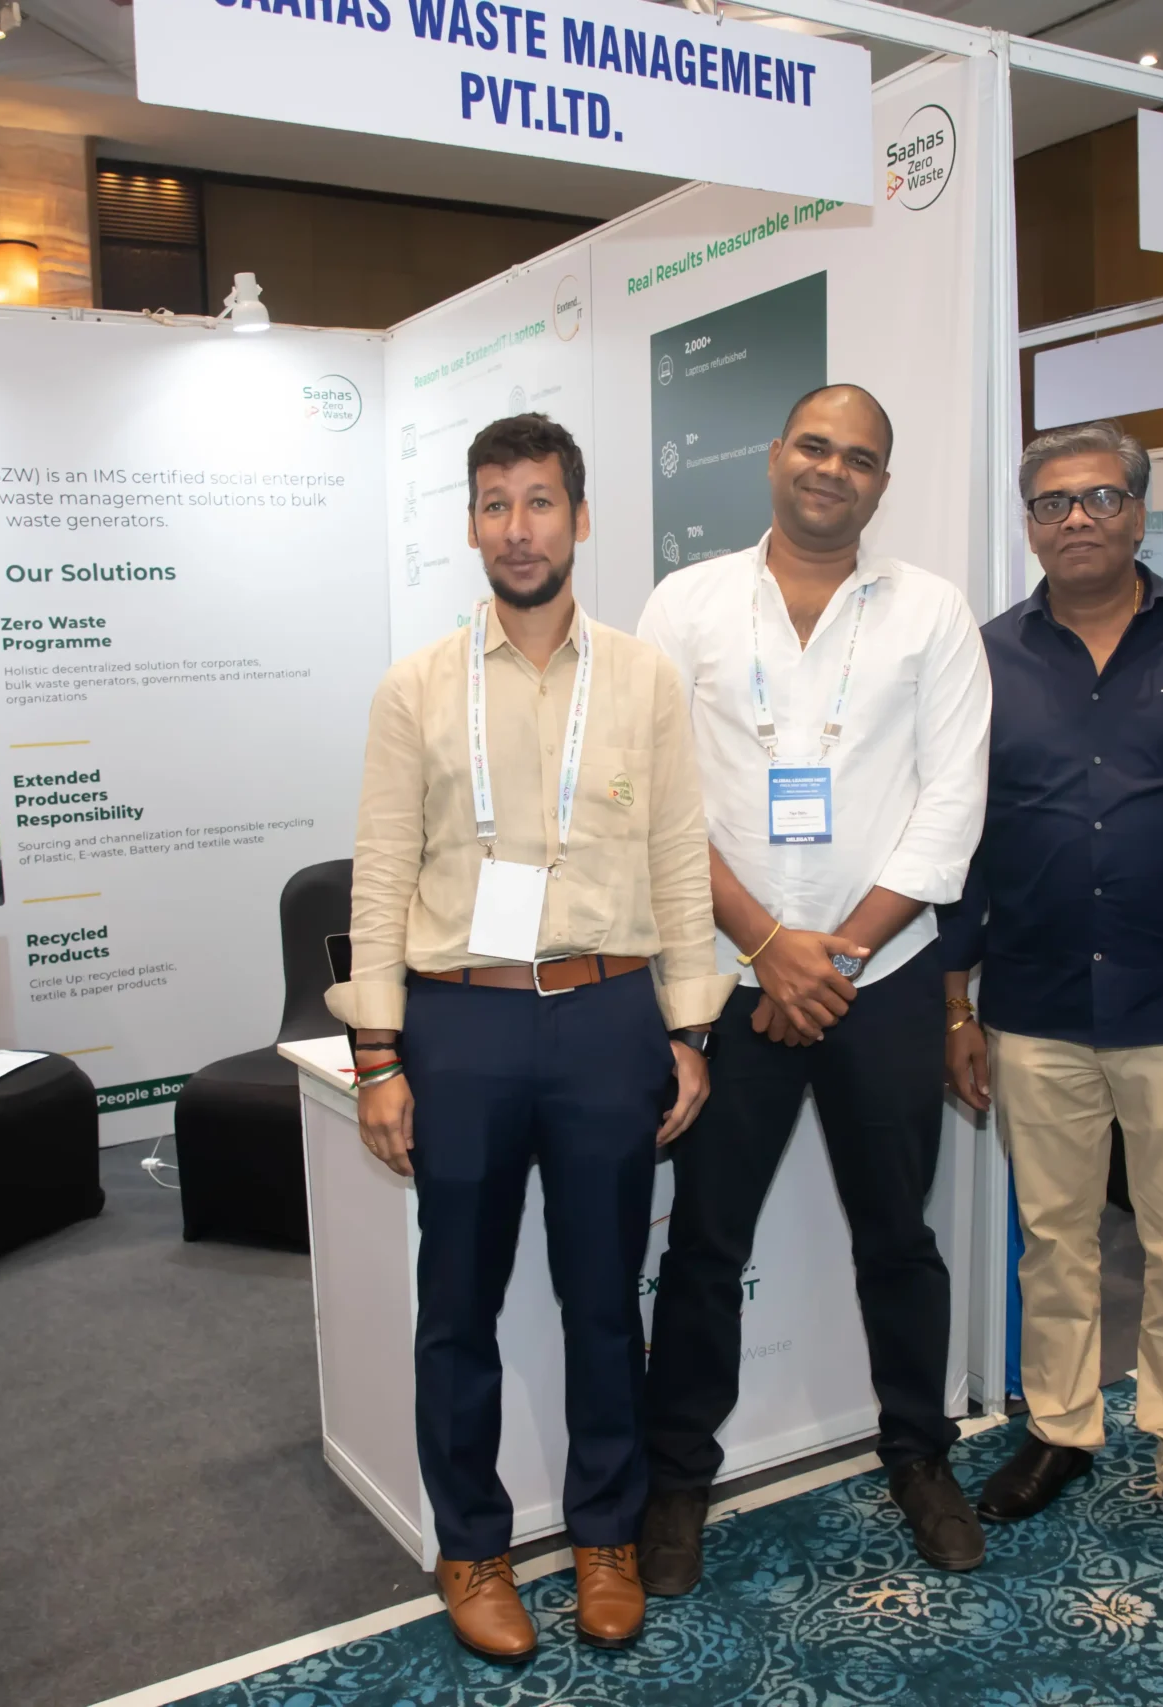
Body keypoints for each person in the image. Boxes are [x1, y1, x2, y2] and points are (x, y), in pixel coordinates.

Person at [324, 413, 725, 1664]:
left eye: (540, 502)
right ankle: (473, 1547)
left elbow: (677, 858)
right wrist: (378, 1056)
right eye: (494, 504)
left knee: (603, 1299)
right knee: (458, 1306)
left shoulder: (644, 679)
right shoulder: (416, 687)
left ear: (579, 518)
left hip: (608, 1017)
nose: (518, 528)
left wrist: (690, 1028)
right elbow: (381, 874)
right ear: (470, 526)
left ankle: (605, 1534)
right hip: (464, 1022)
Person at [636, 383, 993, 1588]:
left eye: (859, 457)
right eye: (814, 445)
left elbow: (952, 803)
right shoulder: (686, 603)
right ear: (775, 455)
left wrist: (832, 953)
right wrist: (765, 946)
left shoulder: (930, 612)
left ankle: (919, 1455)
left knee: (899, 1239)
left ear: (881, 483)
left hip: (880, 981)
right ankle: (678, 1479)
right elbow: (657, 799)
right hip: (726, 982)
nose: (832, 470)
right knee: (703, 1244)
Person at [938, 421, 1163, 1569]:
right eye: (1051, 503)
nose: (1074, 518)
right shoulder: (986, 656)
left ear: (1138, 509)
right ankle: (1060, 1429)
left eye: (1097, 498)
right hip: (1031, 1002)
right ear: (1028, 524)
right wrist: (953, 1003)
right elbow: (960, 840)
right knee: (1053, 1240)